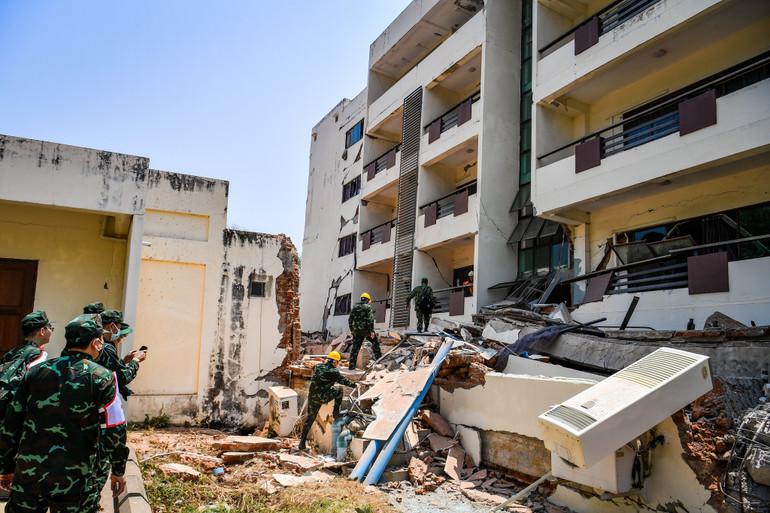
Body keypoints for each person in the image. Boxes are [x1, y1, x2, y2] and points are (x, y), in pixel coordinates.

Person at [0, 315, 129, 513]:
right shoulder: (104, 377)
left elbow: (12, 423)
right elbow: (114, 429)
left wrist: (6, 466)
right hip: (76, 481)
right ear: (96, 342)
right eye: (101, 340)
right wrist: (118, 470)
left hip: (29, 476)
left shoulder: (36, 372)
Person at [0, 311, 53, 424]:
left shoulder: (13, 351)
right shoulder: (38, 354)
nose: (51, 331)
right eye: (49, 327)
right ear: (42, 331)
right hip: (16, 413)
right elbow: (34, 384)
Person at [298, 351, 356, 451]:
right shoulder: (333, 371)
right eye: (338, 362)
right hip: (322, 397)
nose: (338, 364)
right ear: (334, 362)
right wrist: (355, 385)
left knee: (310, 419)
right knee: (339, 389)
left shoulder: (318, 367)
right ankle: (336, 413)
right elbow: (344, 381)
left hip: (312, 397)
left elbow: (313, 366)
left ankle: (302, 442)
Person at [347, 293, 381, 370]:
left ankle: (351, 366)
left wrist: (352, 330)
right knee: (375, 343)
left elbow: (350, 320)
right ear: (368, 300)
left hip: (356, 331)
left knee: (355, 348)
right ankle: (379, 360)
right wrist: (372, 331)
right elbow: (370, 320)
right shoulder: (367, 307)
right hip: (366, 330)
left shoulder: (354, 307)